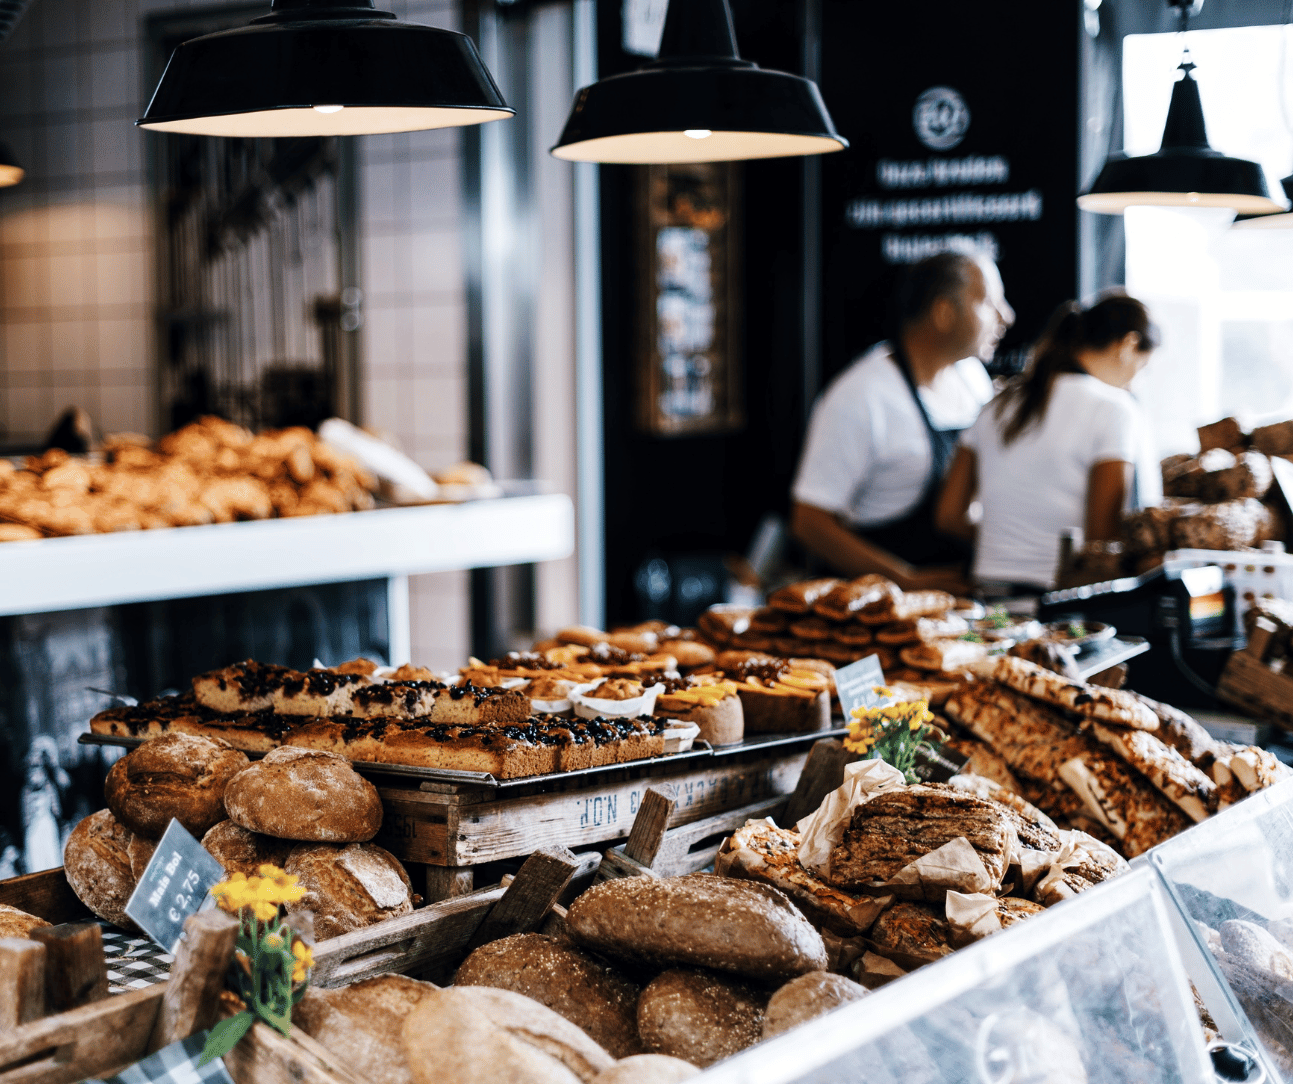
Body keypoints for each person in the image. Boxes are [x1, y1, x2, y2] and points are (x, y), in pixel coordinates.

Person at [791, 250, 1015, 593]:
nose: (1006, 316)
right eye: (989, 302)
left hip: (961, 600)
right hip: (880, 607)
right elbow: (809, 522)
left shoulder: (972, 378)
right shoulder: (860, 396)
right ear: (943, 312)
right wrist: (904, 581)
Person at [934, 293, 1161, 593]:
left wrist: (1008, 541)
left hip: (990, 597)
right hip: (1060, 602)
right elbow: (1101, 539)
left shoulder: (997, 404)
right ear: (1128, 346)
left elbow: (949, 516)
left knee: (1000, 626)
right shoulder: (1115, 409)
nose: (1135, 382)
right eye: (1143, 368)